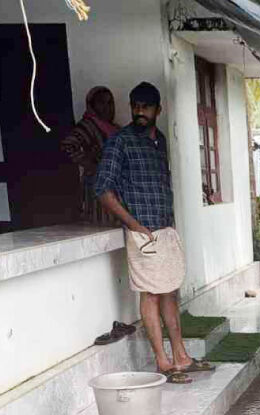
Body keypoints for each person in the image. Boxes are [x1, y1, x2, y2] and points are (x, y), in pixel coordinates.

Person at [94, 82, 214, 384]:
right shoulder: (119, 142)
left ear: (157, 110)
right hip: (142, 232)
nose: (139, 112)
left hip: (163, 229)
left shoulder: (158, 140)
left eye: (146, 107)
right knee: (150, 294)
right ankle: (163, 363)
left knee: (169, 292)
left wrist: (165, 226)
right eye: (135, 106)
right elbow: (103, 191)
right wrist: (136, 227)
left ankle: (181, 357)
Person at [61, 86, 119, 224]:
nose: (107, 107)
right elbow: (67, 146)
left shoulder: (114, 128)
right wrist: (91, 164)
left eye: (110, 103)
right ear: (92, 105)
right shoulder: (88, 126)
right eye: (101, 103)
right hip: (97, 185)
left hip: (115, 186)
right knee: (100, 226)